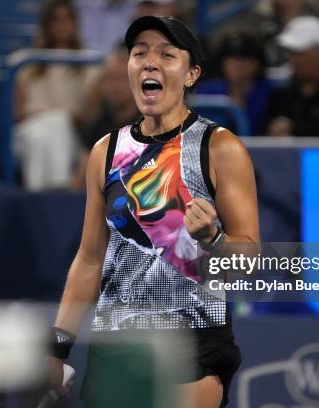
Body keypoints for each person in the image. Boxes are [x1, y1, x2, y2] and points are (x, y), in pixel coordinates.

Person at [47, 16, 259, 408]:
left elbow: (249, 262)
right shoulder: (105, 152)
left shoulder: (220, 148)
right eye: (139, 53)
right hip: (117, 343)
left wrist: (213, 239)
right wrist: (57, 347)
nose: (150, 62)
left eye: (166, 54)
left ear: (192, 74)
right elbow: (90, 260)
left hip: (191, 340)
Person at [13, 0, 100, 190]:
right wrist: (52, 116)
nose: (62, 25)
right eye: (55, 20)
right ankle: (58, 192)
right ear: (46, 25)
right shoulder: (26, 63)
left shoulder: (90, 65)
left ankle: (35, 193)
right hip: (29, 131)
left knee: (56, 125)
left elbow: (89, 117)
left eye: (67, 19)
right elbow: (18, 115)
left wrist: (59, 117)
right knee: (42, 132)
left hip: (70, 134)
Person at [71, 46, 140, 189]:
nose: (115, 87)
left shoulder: (154, 123)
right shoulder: (97, 123)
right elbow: (80, 178)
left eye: (122, 79)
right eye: (109, 79)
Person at [196, 32, 273, 136]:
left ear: (257, 63)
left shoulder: (270, 93)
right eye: (231, 57)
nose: (237, 64)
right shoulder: (207, 91)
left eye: (245, 57)